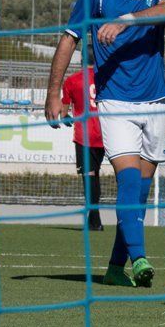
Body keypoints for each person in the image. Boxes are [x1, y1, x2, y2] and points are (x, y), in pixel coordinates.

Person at [45, 0, 165, 288]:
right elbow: (69, 40)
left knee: (140, 195)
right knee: (128, 181)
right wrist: (53, 92)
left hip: (157, 102)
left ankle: (116, 268)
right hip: (115, 101)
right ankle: (141, 259)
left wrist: (125, 21)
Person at [61, 66, 105, 231]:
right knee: (95, 174)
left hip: (85, 135)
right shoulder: (108, 75)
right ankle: (95, 220)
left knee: (89, 176)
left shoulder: (73, 80)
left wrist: (65, 118)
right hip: (106, 132)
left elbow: (64, 111)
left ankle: (95, 221)